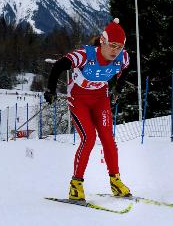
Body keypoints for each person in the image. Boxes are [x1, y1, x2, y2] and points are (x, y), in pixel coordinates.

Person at [44, 18, 131, 201]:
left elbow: (126, 69)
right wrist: (50, 90)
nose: (115, 50)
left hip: (100, 99)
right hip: (79, 99)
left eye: (120, 46)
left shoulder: (122, 57)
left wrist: (118, 89)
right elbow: (59, 66)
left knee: (108, 137)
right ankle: (76, 185)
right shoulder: (85, 55)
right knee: (89, 137)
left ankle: (115, 181)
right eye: (112, 45)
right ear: (102, 41)